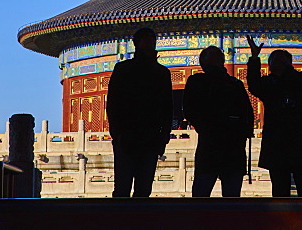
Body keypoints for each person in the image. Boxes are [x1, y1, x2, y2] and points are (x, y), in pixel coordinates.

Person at [245, 35, 302, 197]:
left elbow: (253, 84)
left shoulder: (275, 84)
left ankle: (288, 220)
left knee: (284, 189)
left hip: (282, 142)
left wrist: (254, 58)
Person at [106, 27, 172, 197]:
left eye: (152, 39)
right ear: (137, 43)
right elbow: (113, 102)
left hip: (151, 138)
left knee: (144, 188)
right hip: (126, 136)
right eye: (146, 39)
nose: (150, 43)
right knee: (122, 187)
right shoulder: (123, 69)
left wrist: (164, 135)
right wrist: (117, 133)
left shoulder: (162, 73)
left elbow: (167, 106)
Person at [182, 46, 254, 197]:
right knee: (203, 193)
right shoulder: (199, 82)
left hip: (230, 145)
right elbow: (190, 109)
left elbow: (247, 113)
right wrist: (207, 127)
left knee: (229, 196)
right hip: (213, 143)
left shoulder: (234, 84)